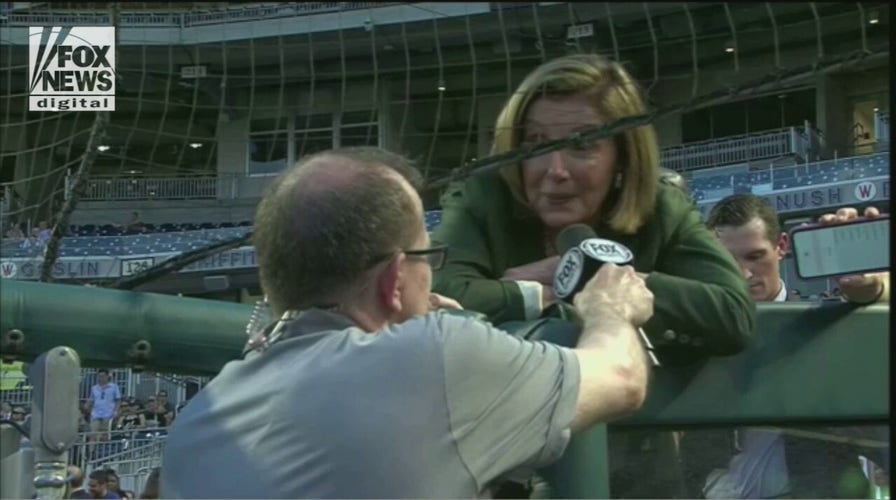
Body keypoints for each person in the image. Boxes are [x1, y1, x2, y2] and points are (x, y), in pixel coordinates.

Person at [160, 146, 655, 498]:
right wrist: (611, 310)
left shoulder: (197, 420)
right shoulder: (434, 356)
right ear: (396, 278)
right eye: (427, 255)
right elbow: (621, 379)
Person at [431, 53, 755, 363]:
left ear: (623, 156)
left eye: (582, 145)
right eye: (536, 143)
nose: (555, 170)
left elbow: (732, 312)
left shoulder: (662, 208)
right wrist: (533, 295)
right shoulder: (482, 196)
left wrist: (596, 279)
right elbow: (434, 296)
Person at [693, 195, 889, 499]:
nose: (744, 273)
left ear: (781, 246)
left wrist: (871, 287)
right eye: (729, 260)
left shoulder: (827, 325)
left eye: (755, 256)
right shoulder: (696, 331)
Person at [85, 369, 121, 455]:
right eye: (99, 376)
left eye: (103, 376)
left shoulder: (114, 387)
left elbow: (118, 400)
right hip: (96, 414)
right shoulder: (94, 388)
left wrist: (115, 411)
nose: (101, 378)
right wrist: (87, 404)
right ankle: (91, 453)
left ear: (107, 376)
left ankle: (104, 453)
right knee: (93, 434)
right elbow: (91, 399)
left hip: (108, 414)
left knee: (105, 435)